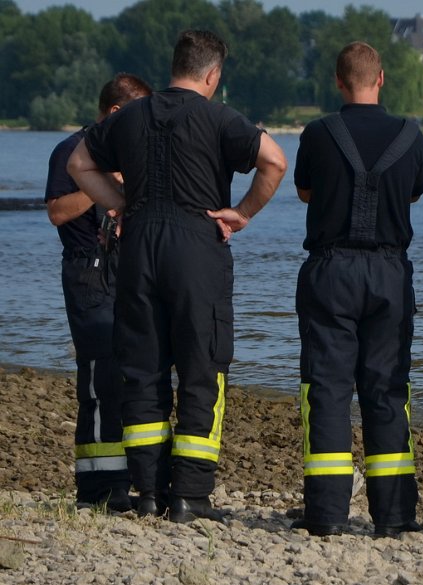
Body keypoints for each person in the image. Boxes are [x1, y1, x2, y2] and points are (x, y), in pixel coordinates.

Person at [67, 30, 287, 523]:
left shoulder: (129, 116)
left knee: (142, 367)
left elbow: (78, 162)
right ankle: (189, 495)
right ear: (213, 75)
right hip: (196, 243)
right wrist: (242, 212)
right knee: (201, 366)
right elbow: (275, 160)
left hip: (140, 243)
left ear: (175, 67)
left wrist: (120, 203)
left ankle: (147, 493)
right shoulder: (218, 116)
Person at [293, 41, 423, 536]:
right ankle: (393, 518)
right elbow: (414, 190)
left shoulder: (318, 132)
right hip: (390, 271)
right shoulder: (411, 135)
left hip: (330, 269)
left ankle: (327, 516)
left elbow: (305, 190)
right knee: (388, 388)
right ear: (382, 78)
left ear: (338, 81)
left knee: (327, 389)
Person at [45, 73, 152, 512]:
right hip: (87, 271)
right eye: (136, 115)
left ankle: (132, 481)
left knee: (137, 376)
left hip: (131, 269)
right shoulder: (70, 151)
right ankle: (97, 491)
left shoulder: (137, 149)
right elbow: (56, 212)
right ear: (114, 113)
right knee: (98, 379)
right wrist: (95, 183)